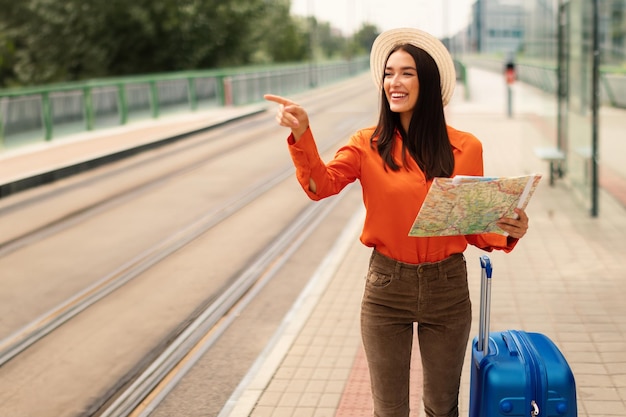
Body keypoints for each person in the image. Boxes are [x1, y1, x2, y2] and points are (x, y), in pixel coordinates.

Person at [265, 28, 529, 417]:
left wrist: (508, 230)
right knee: (389, 409)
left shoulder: (465, 147)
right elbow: (320, 185)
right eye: (389, 73)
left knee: (442, 406)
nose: (394, 82)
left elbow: (471, 226)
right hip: (387, 288)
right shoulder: (365, 144)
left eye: (406, 73)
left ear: (428, 81)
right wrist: (302, 133)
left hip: (448, 288)